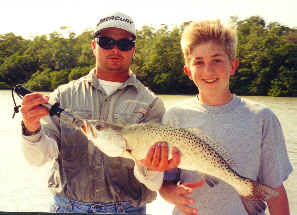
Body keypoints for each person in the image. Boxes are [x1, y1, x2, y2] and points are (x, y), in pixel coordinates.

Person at [20, 11, 179, 214]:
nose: (115, 49)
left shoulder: (151, 104)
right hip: (67, 208)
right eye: (106, 41)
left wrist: (152, 167)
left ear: (133, 50)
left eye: (124, 44)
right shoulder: (62, 96)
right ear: (94, 46)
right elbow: (38, 159)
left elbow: (152, 182)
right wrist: (31, 128)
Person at [159, 20, 292, 215]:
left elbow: (275, 189)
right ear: (188, 71)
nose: (208, 70)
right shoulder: (174, 117)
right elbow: (165, 182)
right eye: (199, 62)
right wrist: (171, 193)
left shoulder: (262, 118)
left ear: (233, 65)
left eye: (217, 60)